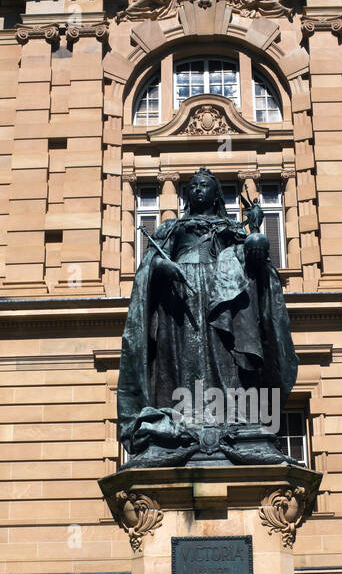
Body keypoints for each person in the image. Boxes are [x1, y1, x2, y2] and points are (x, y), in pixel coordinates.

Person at [117, 169, 298, 465]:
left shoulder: (231, 227)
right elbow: (148, 266)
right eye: (194, 186)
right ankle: (181, 418)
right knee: (183, 359)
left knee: (223, 356)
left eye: (205, 186)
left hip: (222, 297)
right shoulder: (171, 228)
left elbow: (255, 263)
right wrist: (163, 267)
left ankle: (231, 418)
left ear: (216, 194)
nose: (199, 190)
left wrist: (254, 230)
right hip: (178, 299)